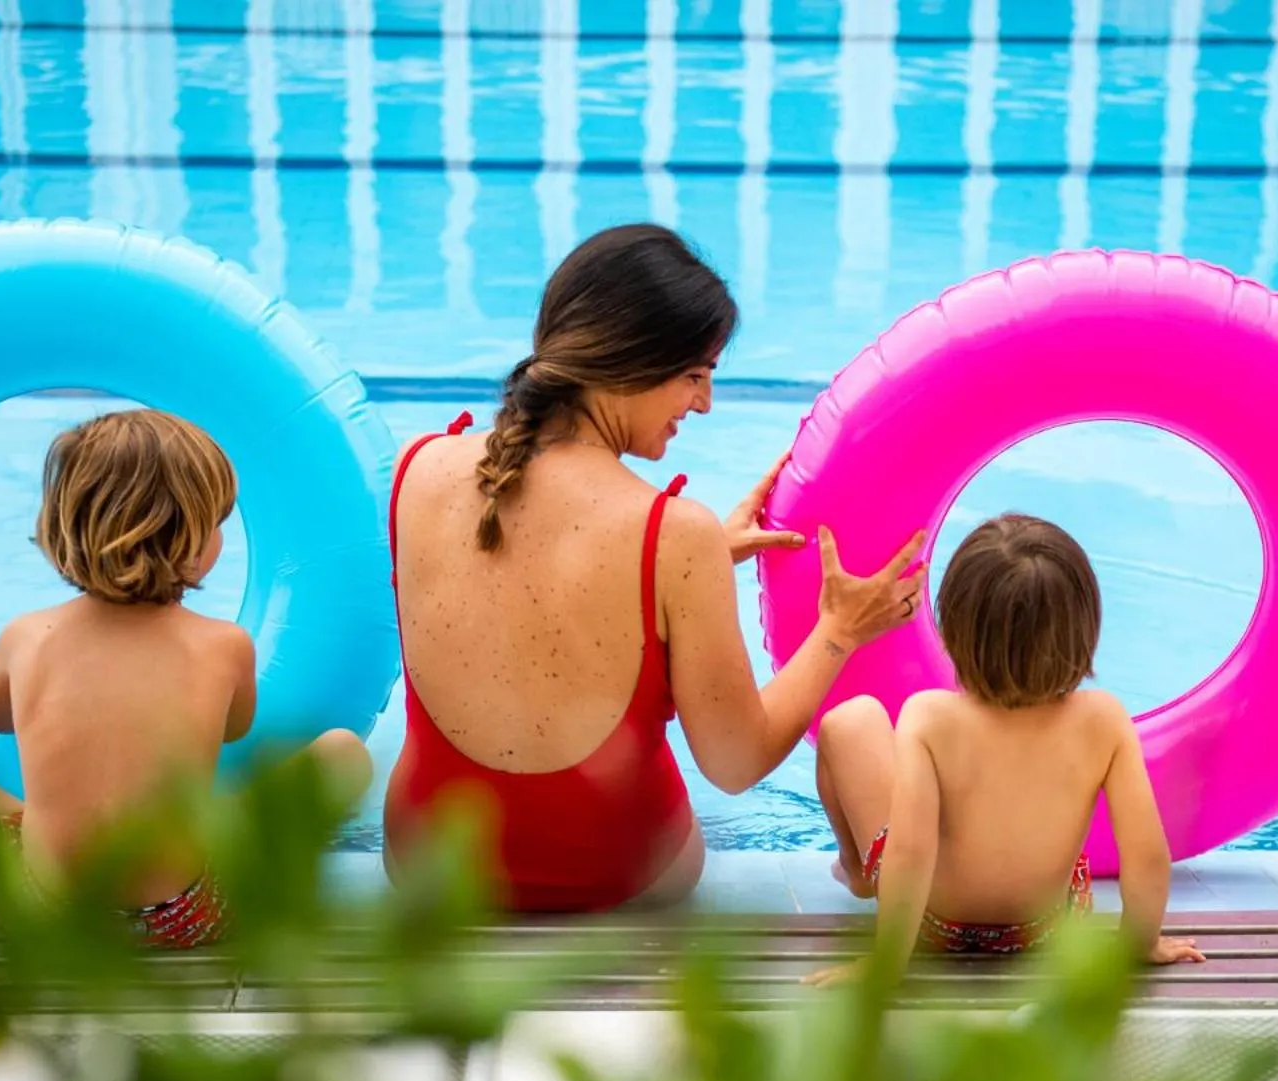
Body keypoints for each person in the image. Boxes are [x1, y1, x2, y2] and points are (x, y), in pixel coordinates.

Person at [383, 223, 926, 912]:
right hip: (615, 875)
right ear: (628, 363)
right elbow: (736, 762)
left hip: (431, 864)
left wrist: (691, 569)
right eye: (695, 377)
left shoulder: (416, 466)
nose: (703, 404)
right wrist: (839, 630)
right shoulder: (672, 535)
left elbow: (510, 585)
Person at [0, 409, 369, 948]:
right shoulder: (224, 645)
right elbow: (233, 729)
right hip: (186, 914)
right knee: (344, 755)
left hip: (47, 905)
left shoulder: (26, 637)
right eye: (218, 523)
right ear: (191, 541)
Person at [804, 514, 1206, 985]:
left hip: (933, 927)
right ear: (1085, 629)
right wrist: (1142, 944)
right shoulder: (1103, 721)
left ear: (952, 628)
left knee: (848, 722)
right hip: (1045, 929)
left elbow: (911, 853)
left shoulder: (929, 716)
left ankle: (855, 871)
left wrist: (885, 967)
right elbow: (1147, 854)